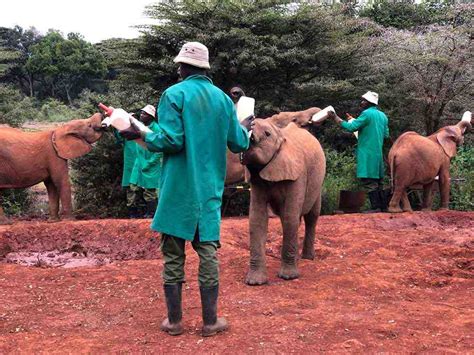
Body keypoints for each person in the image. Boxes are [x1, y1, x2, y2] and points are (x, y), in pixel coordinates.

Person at [120, 42, 250, 337]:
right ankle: (210, 322)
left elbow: (171, 140)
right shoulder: (222, 100)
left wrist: (139, 133)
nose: (177, 69)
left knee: (174, 255)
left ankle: (175, 321)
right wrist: (242, 125)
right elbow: (239, 143)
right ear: (204, 68)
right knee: (207, 252)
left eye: (179, 66)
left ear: (184, 68)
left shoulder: (173, 94)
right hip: (208, 189)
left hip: (178, 188)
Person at [328, 91, 390, 212]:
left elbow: (351, 128)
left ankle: (375, 207)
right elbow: (386, 135)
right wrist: (355, 121)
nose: (361, 102)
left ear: (369, 102)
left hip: (367, 152)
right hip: (378, 153)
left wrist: (336, 118)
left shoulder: (366, 114)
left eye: (364, 100)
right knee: (378, 180)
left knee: (369, 180)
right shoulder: (383, 116)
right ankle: (383, 207)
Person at [128, 105, 163, 218]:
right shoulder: (140, 126)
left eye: (144, 114)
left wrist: (150, 163)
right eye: (141, 113)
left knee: (150, 190)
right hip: (139, 163)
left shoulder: (157, 129)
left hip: (151, 164)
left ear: (151, 117)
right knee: (133, 187)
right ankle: (133, 214)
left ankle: (151, 213)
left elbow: (160, 150)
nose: (141, 115)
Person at [113, 117, 139, 218]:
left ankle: (146, 212)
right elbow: (118, 137)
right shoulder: (126, 137)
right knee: (131, 190)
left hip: (142, 166)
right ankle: (133, 214)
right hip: (130, 166)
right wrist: (116, 126)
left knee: (146, 190)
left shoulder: (140, 134)